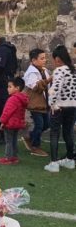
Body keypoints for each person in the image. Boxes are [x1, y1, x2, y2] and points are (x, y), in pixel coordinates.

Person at [44, 45, 76, 173]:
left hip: (59, 107)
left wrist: (52, 104)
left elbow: (56, 89)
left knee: (54, 133)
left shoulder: (59, 71)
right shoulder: (74, 70)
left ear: (57, 59)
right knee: (68, 133)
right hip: (72, 106)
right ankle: (70, 159)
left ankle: (54, 162)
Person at [22, 49, 52, 157]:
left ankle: (30, 137)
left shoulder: (44, 70)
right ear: (34, 60)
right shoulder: (30, 73)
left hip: (44, 104)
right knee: (39, 125)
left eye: (45, 58)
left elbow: (48, 85)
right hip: (35, 104)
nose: (45, 60)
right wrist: (49, 80)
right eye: (42, 58)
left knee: (47, 124)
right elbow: (36, 87)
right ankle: (35, 146)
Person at [0, 77, 28, 165]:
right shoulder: (22, 99)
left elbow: (7, 112)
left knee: (9, 141)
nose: (8, 89)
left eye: (10, 87)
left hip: (10, 124)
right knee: (14, 140)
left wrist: (2, 122)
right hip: (17, 124)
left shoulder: (12, 99)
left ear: (17, 88)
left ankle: (8, 157)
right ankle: (14, 157)